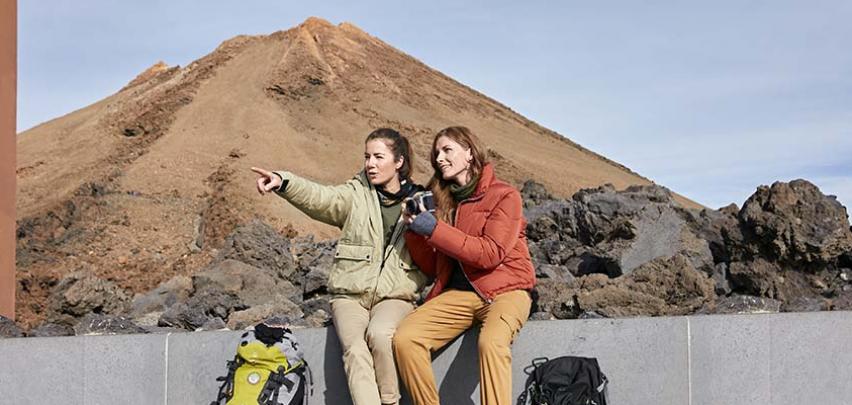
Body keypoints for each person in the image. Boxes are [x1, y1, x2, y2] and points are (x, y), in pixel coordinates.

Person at [252, 128, 427, 405]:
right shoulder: (355, 194)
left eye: (378, 157)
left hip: (396, 295)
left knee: (381, 336)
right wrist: (284, 182)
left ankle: (390, 401)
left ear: (399, 162)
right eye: (367, 156)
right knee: (355, 350)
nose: (370, 163)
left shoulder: (420, 200)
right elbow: (321, 198)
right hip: (349, 295)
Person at [393, 126, 536, 405]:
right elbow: (434, 267)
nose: (440, 158)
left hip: (506, 290)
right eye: (437, 153)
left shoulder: (505, 196)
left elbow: (490, 253)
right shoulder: (442, 200)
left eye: (448, 150)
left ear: (470, 153)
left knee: (491, 343)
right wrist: (416, 230)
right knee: (406, 339)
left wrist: (435, 229)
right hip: (459, 295)